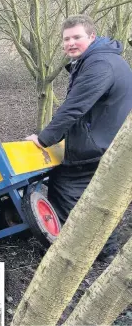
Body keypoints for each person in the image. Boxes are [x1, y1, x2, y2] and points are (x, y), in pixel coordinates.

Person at [25, 14, 132, 263]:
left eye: (77, 37)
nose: (71, 43)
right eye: (66, 39)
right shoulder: (106, 59)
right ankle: (106, 249)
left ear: (91, 37)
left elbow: (74, 107)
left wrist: (44, 139)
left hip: (97, 145)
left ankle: (65, 251)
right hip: (110, 140)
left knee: (63, 185)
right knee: (98, 195)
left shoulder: (99, 65)